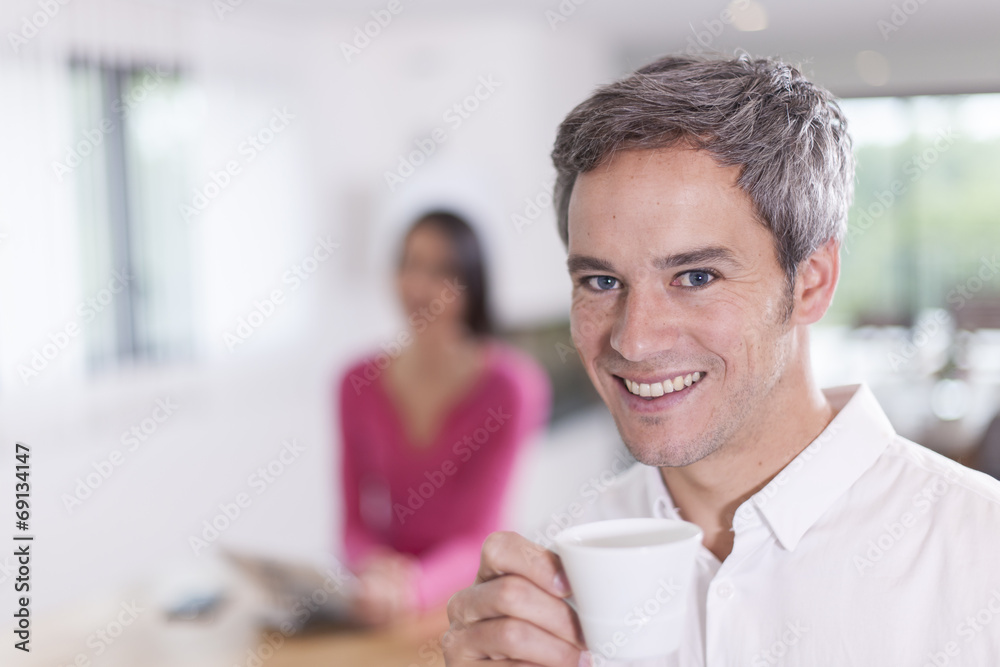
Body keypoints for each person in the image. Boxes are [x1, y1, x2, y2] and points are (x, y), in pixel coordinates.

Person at [443, 55, 1000, 666]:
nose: (635, 341)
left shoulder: (978, 556)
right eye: (602, 281)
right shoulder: (557, 572)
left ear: (811, 282)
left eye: (696, 275)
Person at [337, 210, 551, 627]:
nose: (418, 286)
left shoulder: (513, 388)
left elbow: (482, 535)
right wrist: (374, 568)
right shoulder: (354, 383)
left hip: (473, 596)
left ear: (471, 284)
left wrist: (413, 586)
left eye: (441, 270)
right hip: (384, 601)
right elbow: (353, 524)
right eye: (409, 264)